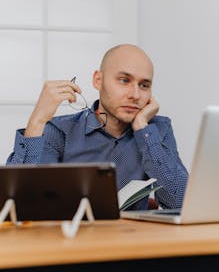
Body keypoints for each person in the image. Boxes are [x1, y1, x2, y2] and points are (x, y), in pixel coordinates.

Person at [7, 44, 188, 210]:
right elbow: (17, 204)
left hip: (132, 241)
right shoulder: (61, 131)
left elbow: (181, 204)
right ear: (98, 80)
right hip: (72, 240)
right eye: (124, 80)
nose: (135, 95)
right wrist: (37, 121)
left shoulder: (156, 130)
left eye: (144, 85)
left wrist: (143, 128)